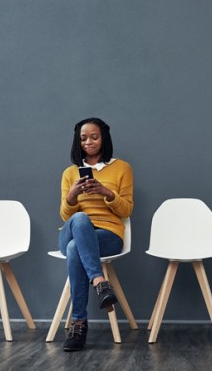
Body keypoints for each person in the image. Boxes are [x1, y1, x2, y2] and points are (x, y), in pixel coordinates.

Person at [58, 117, 134, 351]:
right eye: (83, 138)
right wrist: (72, 195)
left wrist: (106, 192)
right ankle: (100, 282)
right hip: (73, 231)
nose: (88, 142)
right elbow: (64, 215)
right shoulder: (70, 173)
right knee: (80, 219)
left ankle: (79, 324)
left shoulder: (122, 168)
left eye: (94, 136)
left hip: (109, 235)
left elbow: (127, 209)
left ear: (104, 138)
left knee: (74, 250)